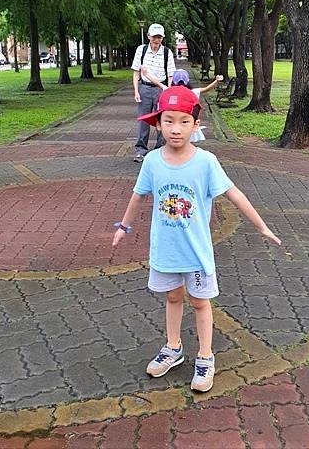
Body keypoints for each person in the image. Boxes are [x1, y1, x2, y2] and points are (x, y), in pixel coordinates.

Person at [112, 85, 281, 393]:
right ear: (158, 123)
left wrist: (261, 226)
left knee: (200, 303)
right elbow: (137, 196)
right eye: (169, 121)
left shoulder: (206, 162)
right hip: (166, 250)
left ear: (195, 124)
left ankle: (205, 356)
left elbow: (234, 193)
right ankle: (173, 348)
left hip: (197, 253)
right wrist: (123, 227)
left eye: (183, 121)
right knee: (172, 298)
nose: (176, 129)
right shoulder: (151, 161)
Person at [140, 67, 224, 142]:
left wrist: (146, 74)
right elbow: (206, 89)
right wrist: (216, 81)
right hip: (187, 125)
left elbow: (157, 83)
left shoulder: (168, 90)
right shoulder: (193, 92)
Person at [131, 23, 176, 163]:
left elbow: (170, 74)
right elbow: (136, 72)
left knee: (162, 120)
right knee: (143, 119)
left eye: (159, 37)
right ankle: (140, 150)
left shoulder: (167, 52)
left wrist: (168, 91)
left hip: (161, 89)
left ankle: (160, 149)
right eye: (154, 37)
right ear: (148, 36)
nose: (157, 40)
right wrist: (136, 91)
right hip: (145, 87)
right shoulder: (141, 50)